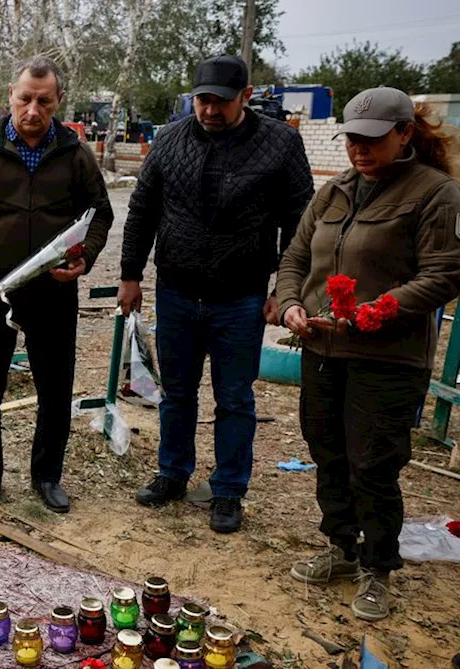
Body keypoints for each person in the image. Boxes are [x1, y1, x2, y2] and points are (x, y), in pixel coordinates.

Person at [276, 87, 461, 621]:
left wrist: (377, 310)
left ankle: (377, 566)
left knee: (373, 463)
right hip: (322, 347)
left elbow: (445, 273)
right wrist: (290, 303)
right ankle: (340, 545)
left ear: (405, 133)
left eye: (373, 139)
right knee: (327, 448)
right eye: (353, 139)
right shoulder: (334, 192)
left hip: (387, 358)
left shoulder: (436, 194)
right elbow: (295, 258)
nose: (360, 149)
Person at [118, 55, 314, 533]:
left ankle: (228, 490)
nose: (210, 111)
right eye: (203, 100)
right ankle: (172, 473)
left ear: (245, 97)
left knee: (234, 398)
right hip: (178, 291)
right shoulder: (169, 139)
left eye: (221, 103)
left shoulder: (280, 143)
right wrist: (130, 275)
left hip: (242, 296)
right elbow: (143, 210)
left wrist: (282, 291)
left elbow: (301, 223)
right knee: (177, 393)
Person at [0, 56, 114, 514]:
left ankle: (46, 477)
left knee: (55, 389)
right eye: (25, 99)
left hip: (54, 292)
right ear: (10, 99)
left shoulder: (75, 153)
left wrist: (84, 258)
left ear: (58, 102)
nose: (33, 110)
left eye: (44, 101)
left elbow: (100, 215)